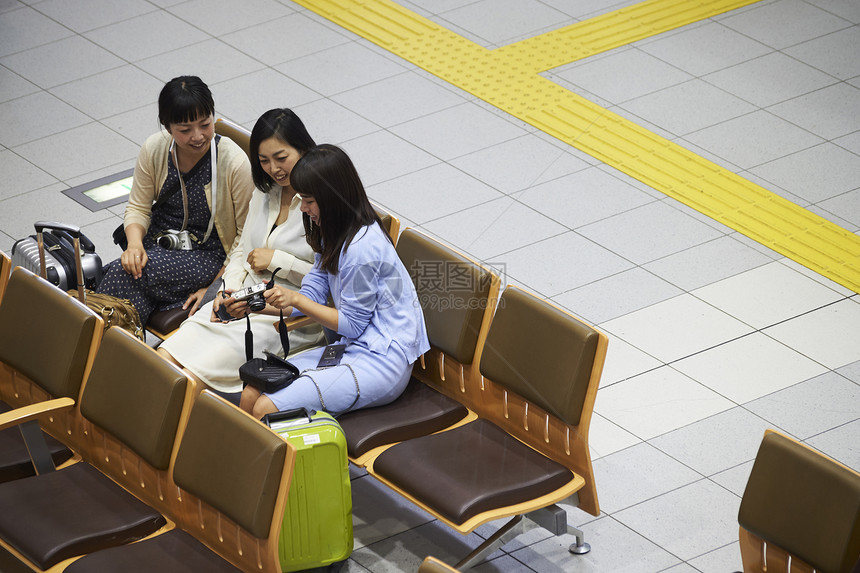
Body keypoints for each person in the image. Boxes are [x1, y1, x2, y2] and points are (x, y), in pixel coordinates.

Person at [240, 144, 430, 419]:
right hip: (351, 349)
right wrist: (249, 304)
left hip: (381, 362)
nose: (303, 209)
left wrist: (295, 298)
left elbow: (352, 325)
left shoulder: (362, 249)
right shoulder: (333, 233)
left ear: (332, 197)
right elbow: (311, 297)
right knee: (251, 391)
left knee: (266, 407)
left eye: (309, 200)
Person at [158, 108, 325, 405]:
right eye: (264, 161)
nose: (274, 169)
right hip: (244, 298)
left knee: (190, 378)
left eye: (281, 158)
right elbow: (242, 251)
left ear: (303, 149)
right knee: (163, 358)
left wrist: (278, 261)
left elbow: (328, 280)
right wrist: (227, 291)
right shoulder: (264, 192)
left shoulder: (320, 201)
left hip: (286, 315)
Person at [98, 75, 253, 326]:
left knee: (122, 275)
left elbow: (246, 237)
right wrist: (135, 244)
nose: (198, 136)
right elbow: (138, 206)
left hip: (207, 253)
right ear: (167, 126)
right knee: (128, 276)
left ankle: (103, 348)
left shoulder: (234, 163)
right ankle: (122, 347)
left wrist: (215, 287)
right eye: (185, 130)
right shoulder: (155, 148)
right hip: (161, 240)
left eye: (205, 124)